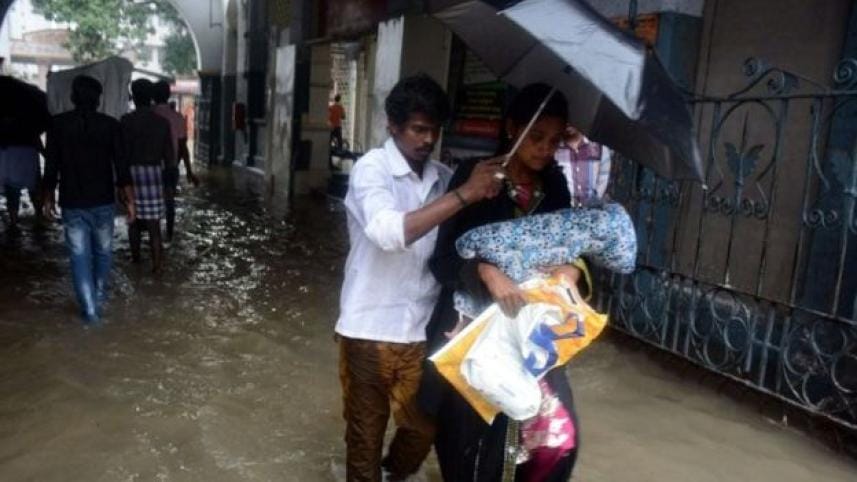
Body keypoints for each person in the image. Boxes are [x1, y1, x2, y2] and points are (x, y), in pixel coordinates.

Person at [335, 73, 503, 482]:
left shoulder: (443, 178)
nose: (427, 139)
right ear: (393, 126)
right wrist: (464, 194)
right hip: (368, 331)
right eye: (418, 129)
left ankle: (393, 475)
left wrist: (487, 187)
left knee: (423, 428)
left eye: (434, 131)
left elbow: (462, 246)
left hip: (420, 333)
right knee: (365, 443)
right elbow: (390, 233)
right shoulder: (371, 170)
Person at [420, 83, 582, 482]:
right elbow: (441, 260)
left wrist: (573, 268)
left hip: (530, 329)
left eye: (554, 140)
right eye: (536, 137)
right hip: (472, 326)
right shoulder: (475, 177)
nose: (545, 149)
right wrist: (486, 272)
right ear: (512, 128)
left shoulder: (556, 187)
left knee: (558, 439)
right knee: (472, 444)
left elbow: (572, 247)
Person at [42, 75, 135, 325]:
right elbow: (122, 167)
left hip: (72, 202)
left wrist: (48, 197)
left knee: (79, 257)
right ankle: (98, 297)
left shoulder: (58, 125)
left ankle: (90, 311)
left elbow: (51, 166)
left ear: (73, 97)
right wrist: (130, 201)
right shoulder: (111, 126)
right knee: (103, 253)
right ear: (98, 99)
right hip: (103, 200)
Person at [120, 78, 174, 273]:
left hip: (131, 175)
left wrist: (120, 184)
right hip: (153, 174)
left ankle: (136, 263)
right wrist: (169, 185)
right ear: (151, 98)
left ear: (133, 97)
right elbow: (169, 157)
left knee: (133, 223)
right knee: (154, 227)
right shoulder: (162, 123)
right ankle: (157, 267)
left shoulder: (126, 121)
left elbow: (121, 154)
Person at [152, 80, 199, 243]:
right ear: (168, 95)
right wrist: (189, 172)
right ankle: (169, 235)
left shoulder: (149, 115)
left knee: (149, 203)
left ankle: (153, 236)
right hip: (171, 166)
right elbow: (183, 147)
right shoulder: (178, 118)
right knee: (169, 201)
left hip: (149, 166)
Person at [554, 125, 611, 208]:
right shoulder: (554, 150)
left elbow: (603, 179)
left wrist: (592, 204)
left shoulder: (599, 147)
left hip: (592, 210)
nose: (568, 124)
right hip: (563, 211)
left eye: (573, 118)